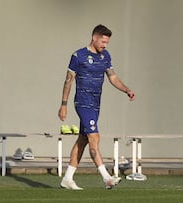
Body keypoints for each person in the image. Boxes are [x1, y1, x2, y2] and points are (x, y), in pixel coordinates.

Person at [58, 24, 135, 190]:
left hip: (95, 104)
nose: (105, 45)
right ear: (94, 38)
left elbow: (112, 77)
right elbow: (68, 81)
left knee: (83, 139)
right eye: (103, 41)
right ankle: (106, 177)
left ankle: (67, 178)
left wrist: (126, 89)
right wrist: (63, 104)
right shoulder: (78, 55)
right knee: (95, 137)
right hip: (83, 103)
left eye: (107, 42)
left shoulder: (105, 56)